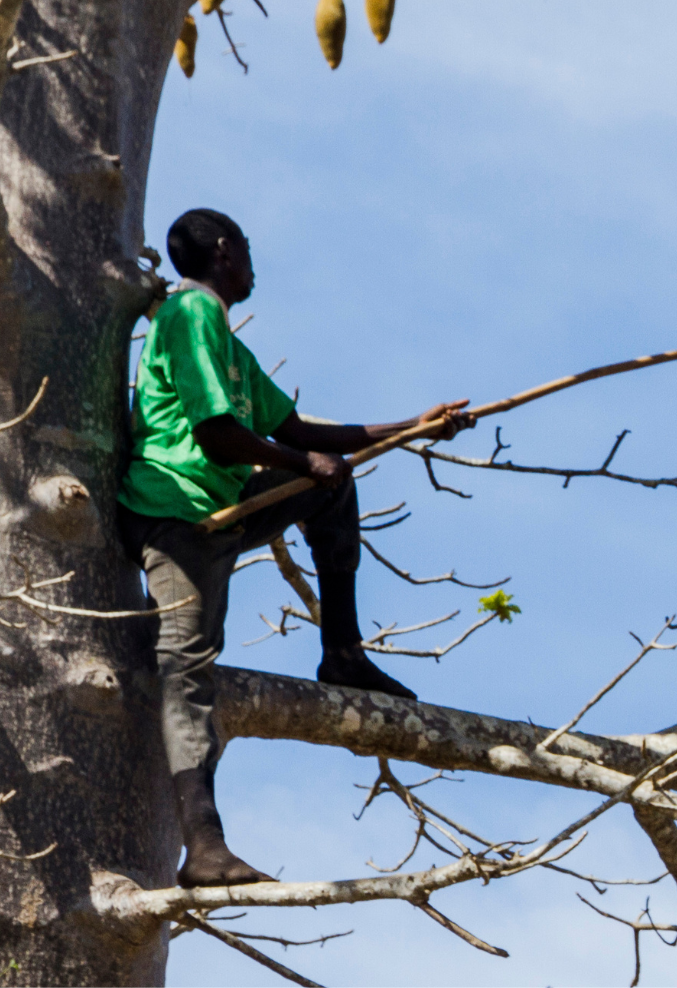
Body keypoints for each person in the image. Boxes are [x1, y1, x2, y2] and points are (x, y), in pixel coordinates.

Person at [118, 208, 473, 888]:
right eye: (246, 250)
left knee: (333, 489)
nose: (253, 263)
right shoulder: (192, 314)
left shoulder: (228, 345)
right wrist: (305, 463)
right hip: (175, 514)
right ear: (224, 251)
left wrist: (416, 427)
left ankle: (342, 653)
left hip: (218, 508)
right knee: (186, 670)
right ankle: (205, 849)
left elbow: (302, 430)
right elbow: (220, 432)